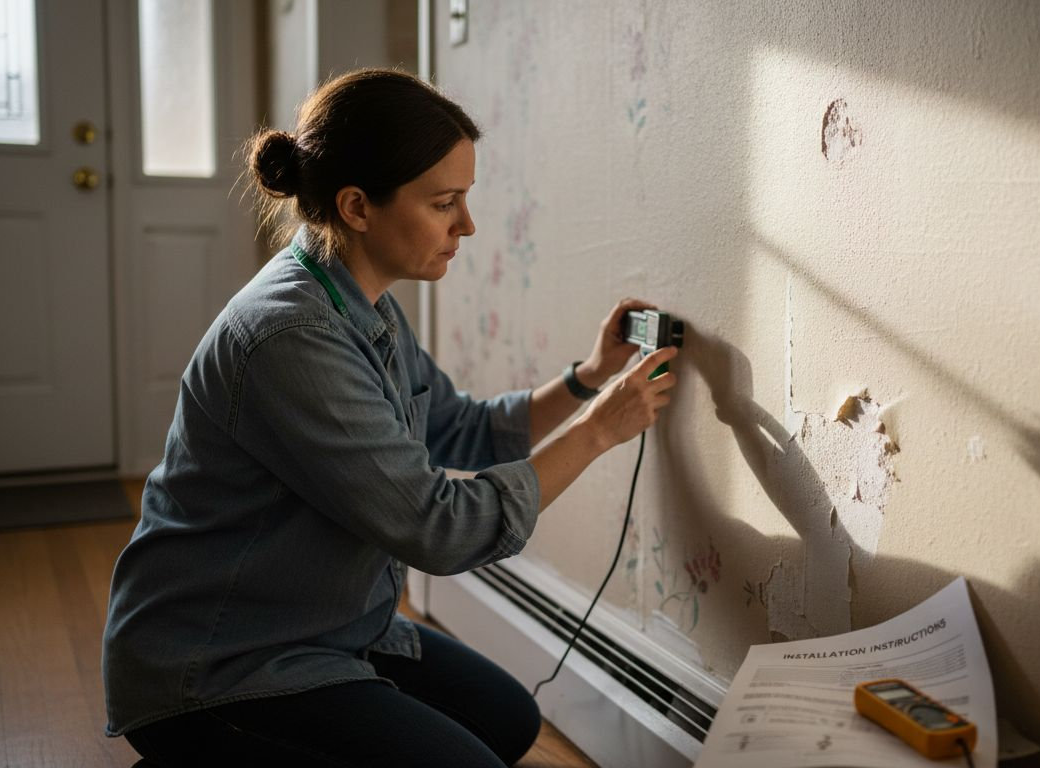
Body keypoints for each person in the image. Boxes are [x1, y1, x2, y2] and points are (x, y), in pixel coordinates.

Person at [101, 67, 678, 767]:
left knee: (507, 720)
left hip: (326, 628)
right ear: (357, 207)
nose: (466, 224)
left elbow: (459, 427)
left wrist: (588, 378)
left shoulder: (357, 299)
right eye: (444, 203)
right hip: (221, 664)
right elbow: (440, 530)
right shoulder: (291, 337)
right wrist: (599, 431)